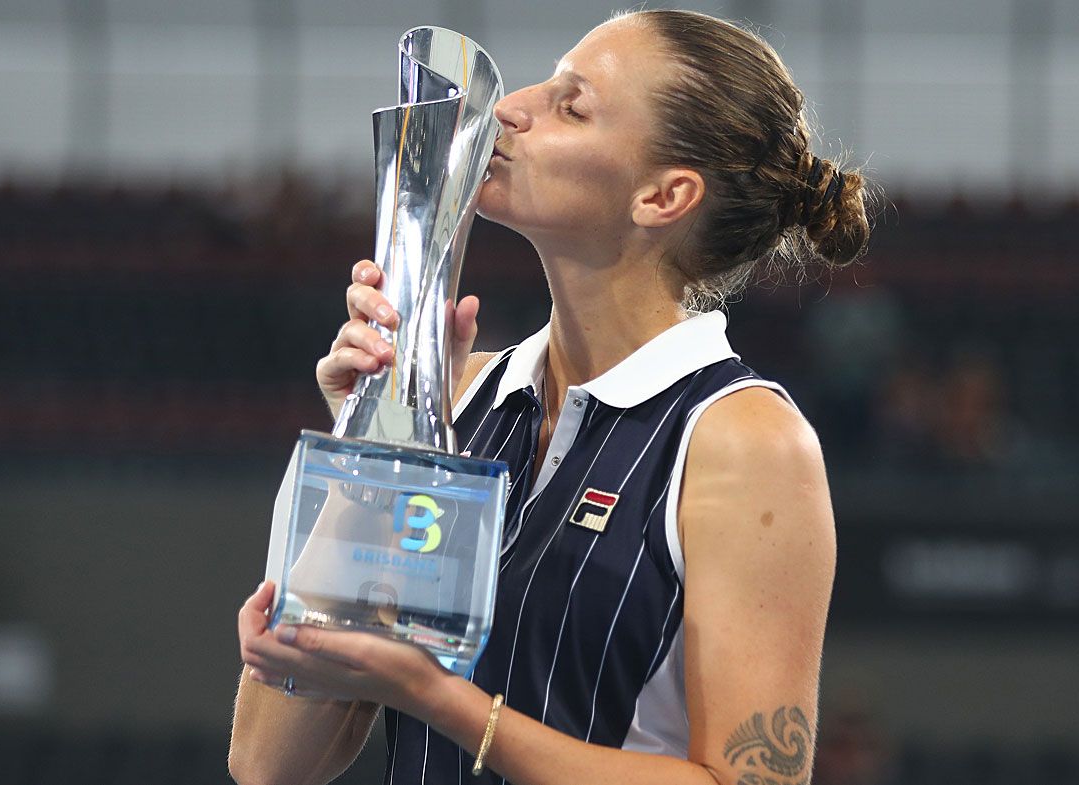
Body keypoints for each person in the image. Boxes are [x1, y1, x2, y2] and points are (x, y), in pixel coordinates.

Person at [229, 9, 872, 785]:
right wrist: (380, 436)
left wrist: (443, 699)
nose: (509, 108)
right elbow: (267, 763)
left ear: (664, 195)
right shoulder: (460, 398)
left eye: (572, 105)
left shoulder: (743, 439)